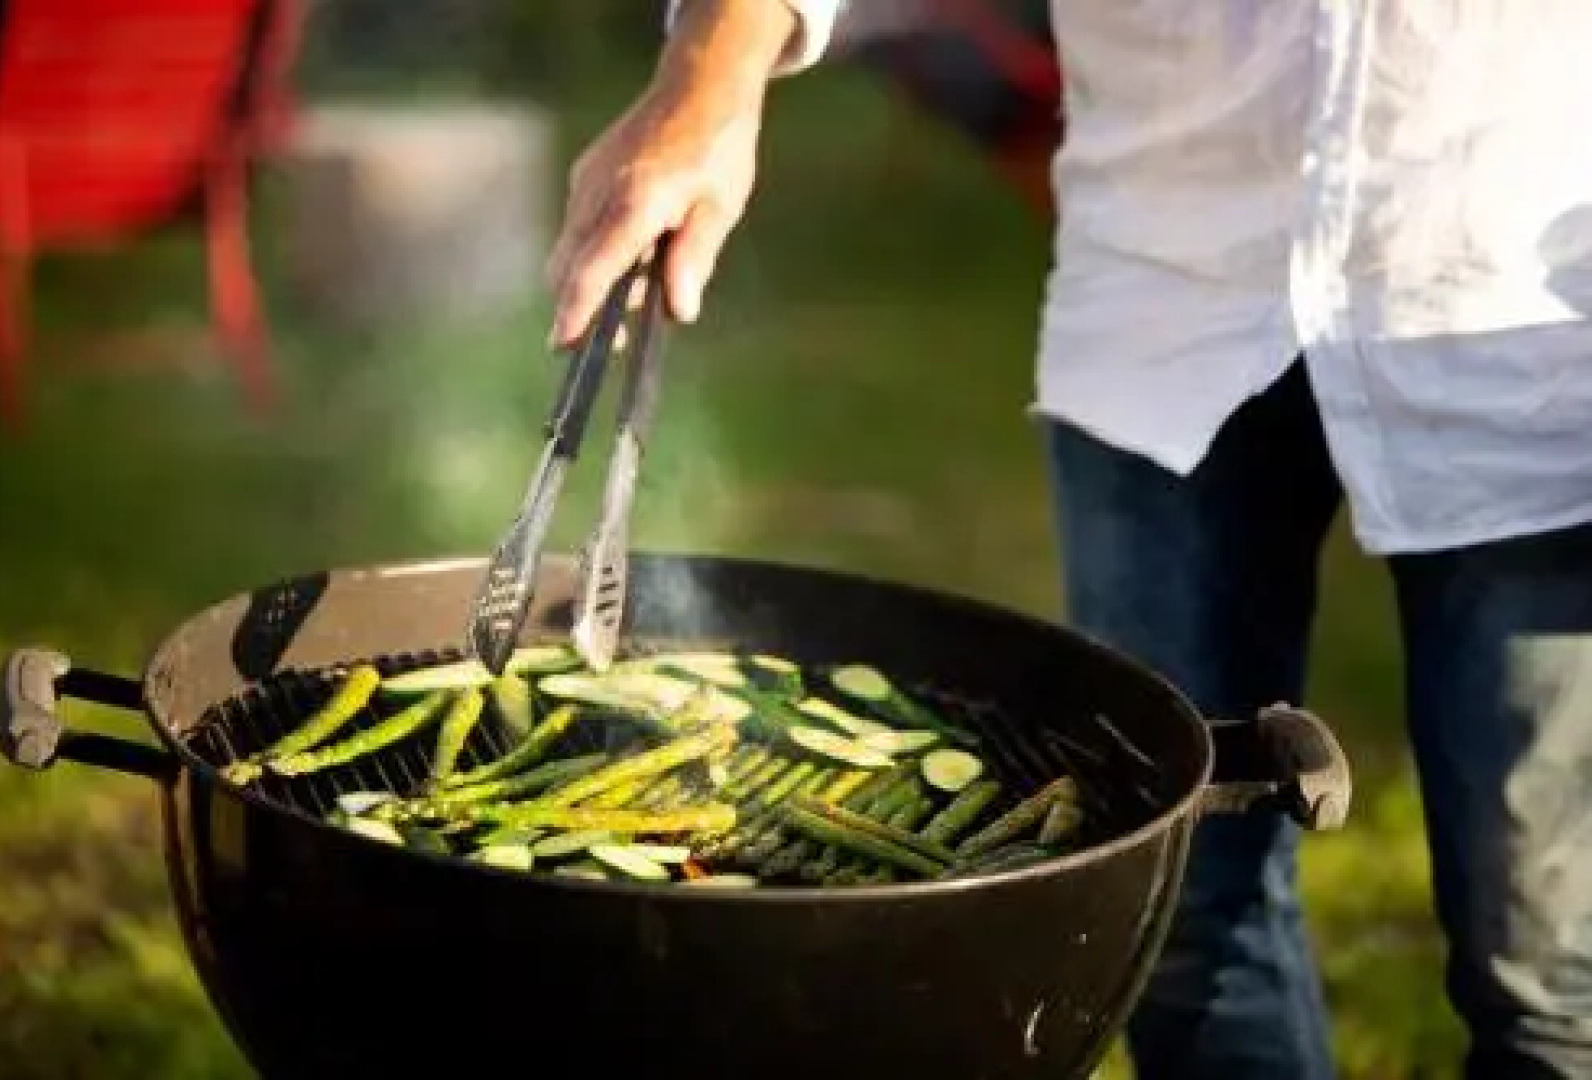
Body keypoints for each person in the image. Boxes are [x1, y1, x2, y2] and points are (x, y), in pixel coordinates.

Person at [544, 3, 1592, 1078]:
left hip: (1513, 314)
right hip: (1166, 302)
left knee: (1547, 981)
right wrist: (703, 81)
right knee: (1177, 901)